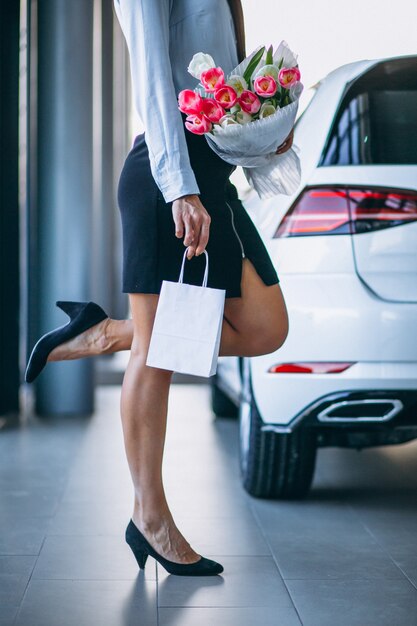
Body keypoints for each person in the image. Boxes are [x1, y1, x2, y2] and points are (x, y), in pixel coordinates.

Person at [25, 0, 292, 576]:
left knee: (267, 325)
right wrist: (178, 187)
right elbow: (151, 76)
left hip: (212, 177)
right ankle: (151, 519)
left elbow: (219, 82)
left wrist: (257, 139)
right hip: (168, 181)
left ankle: (102, 333)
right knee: (158, 355)